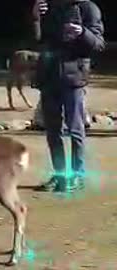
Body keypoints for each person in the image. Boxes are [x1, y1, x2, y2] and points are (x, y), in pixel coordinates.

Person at [32, 0, 105, 192]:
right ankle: (60, 176)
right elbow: (37, 41)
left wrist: (82, 33)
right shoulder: (48, 6)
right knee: (52, 131)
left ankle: (78, 176)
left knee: (75, 129)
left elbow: (99, 44)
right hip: (48, 77)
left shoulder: (88, 8)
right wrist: (35, 18)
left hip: (74, 78)